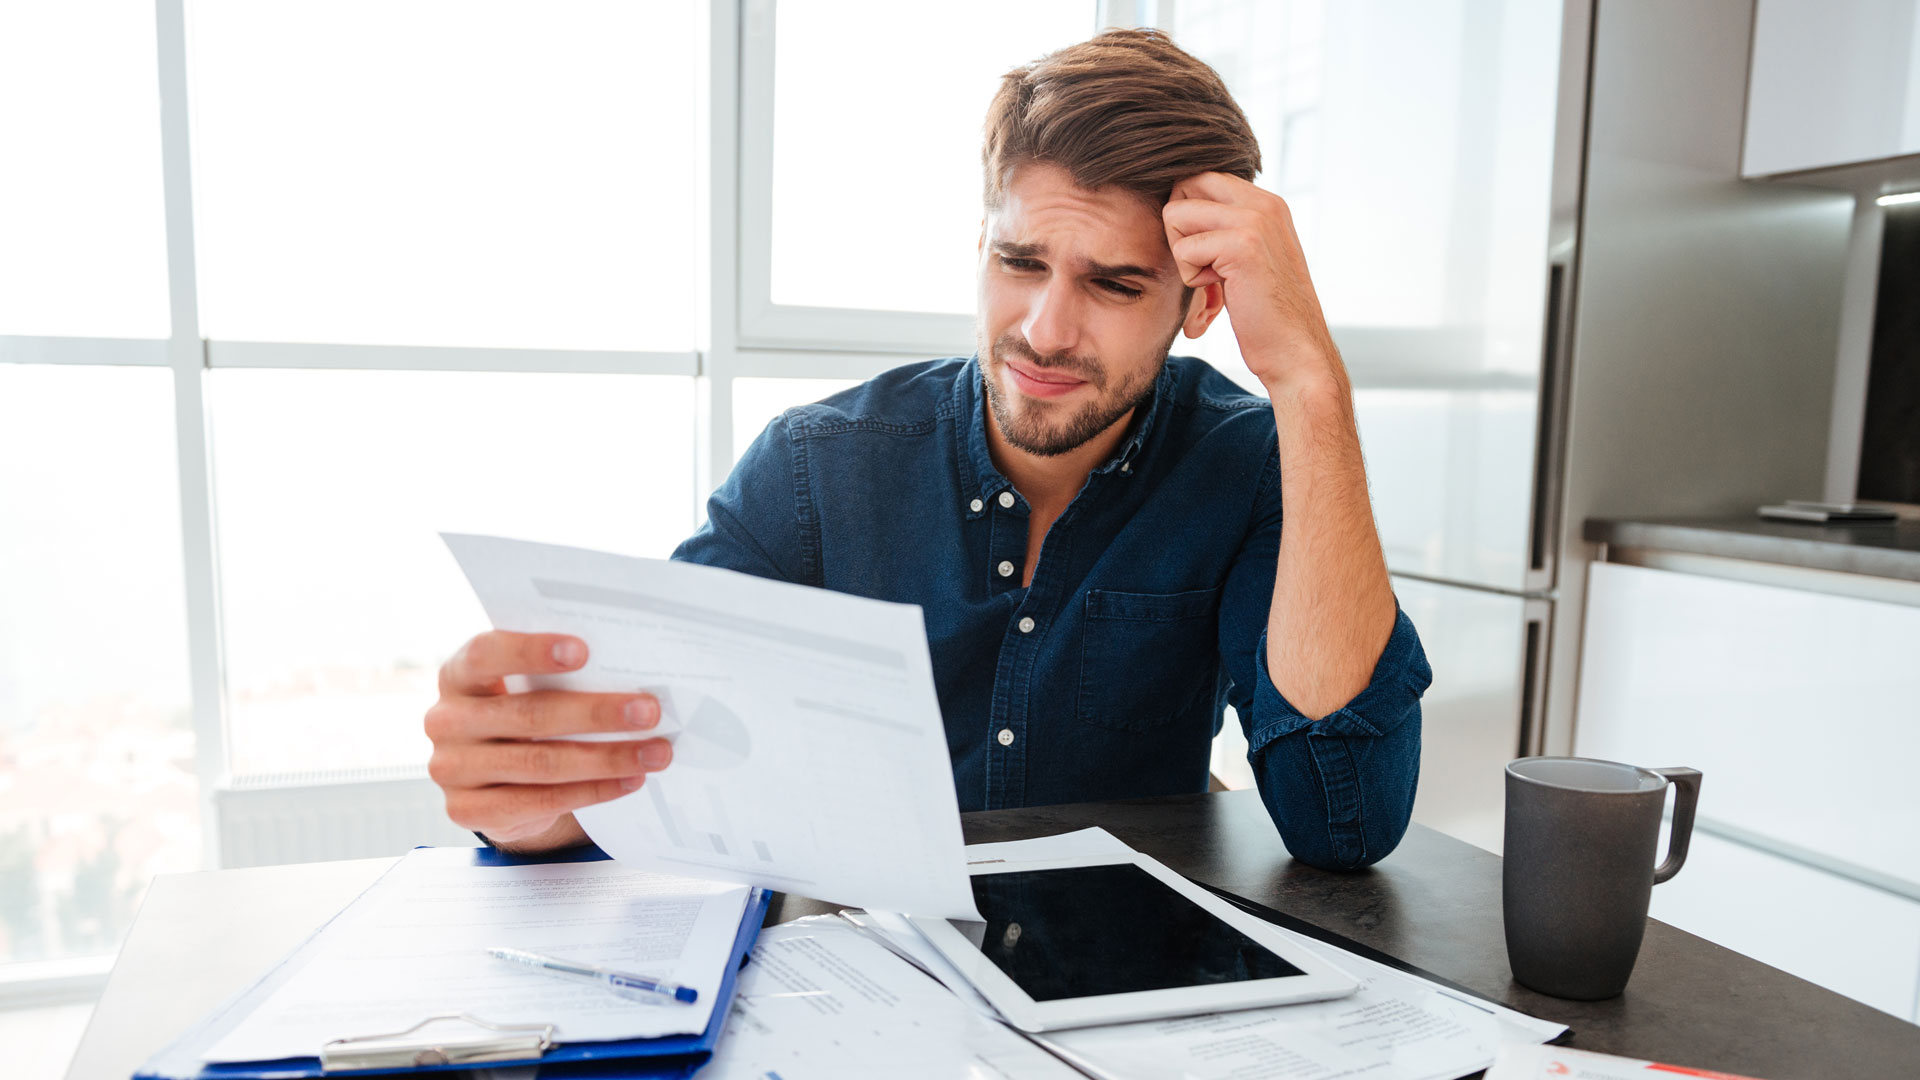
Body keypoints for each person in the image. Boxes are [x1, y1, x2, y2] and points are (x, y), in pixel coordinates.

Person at [424, 29, 1430, 871]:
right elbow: (650, 769)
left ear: (1199, 299)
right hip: (843, 978)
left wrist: (1310, 383)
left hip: (1118, 994)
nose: (1043, 329)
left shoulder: (1250, 465)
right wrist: (520, 807)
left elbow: (1343, 823)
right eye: (1018, 261)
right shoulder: (817, 468)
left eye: (1115, 286)